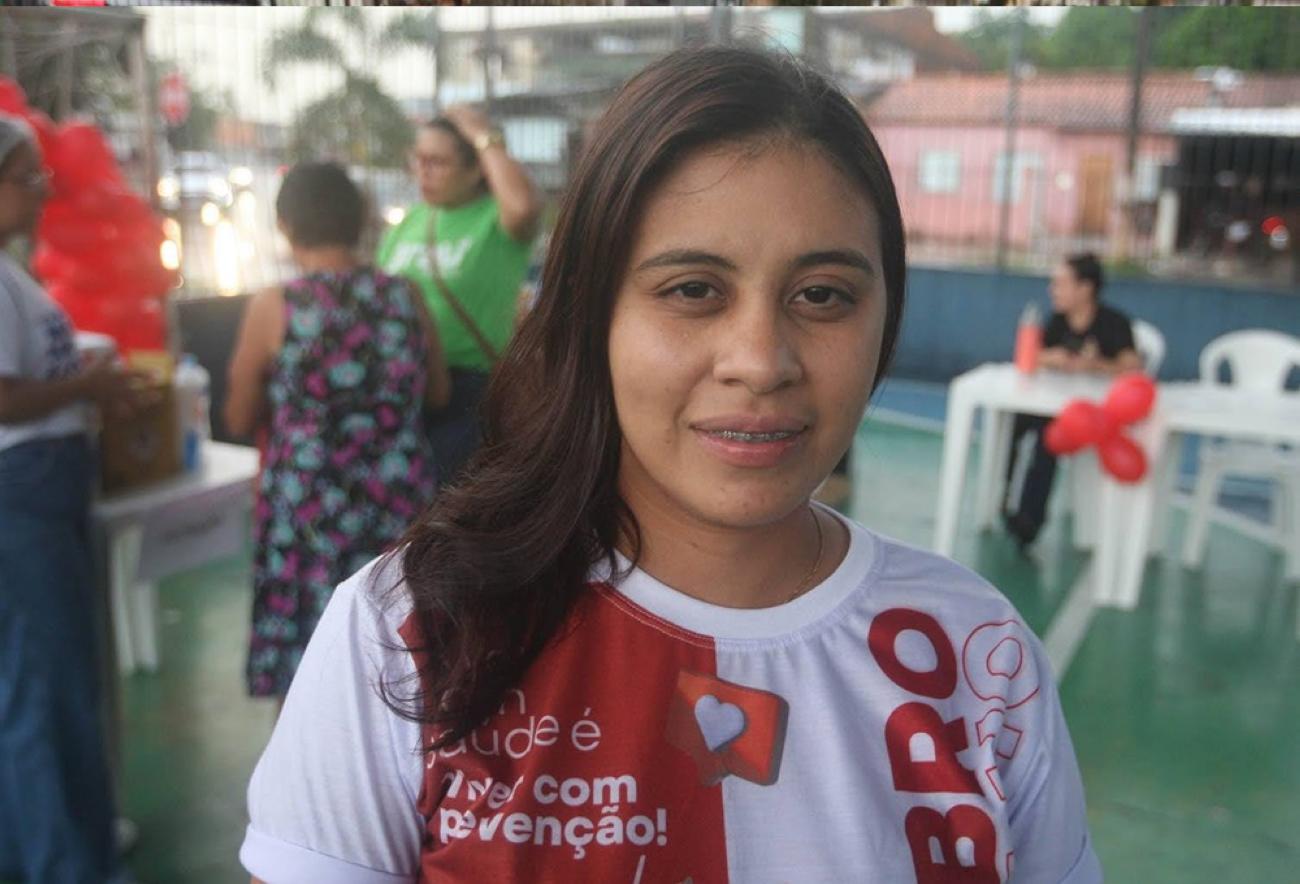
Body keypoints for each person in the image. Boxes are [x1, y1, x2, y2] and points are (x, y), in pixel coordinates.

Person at [242, 48, 1100, 883]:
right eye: (693, 289)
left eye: (822, 295)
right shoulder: (410, 633)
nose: (759, 362)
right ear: (590, 315)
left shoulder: (978, 660)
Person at [225, 161, 449, 700]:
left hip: (309, 514)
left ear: (285, 224)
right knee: (400, 664)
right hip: (398, 506)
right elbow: (438, 393)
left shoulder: (277, 306)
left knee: (308, 675)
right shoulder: (405, 296)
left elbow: (237, 416)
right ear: (359, 221)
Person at [0, 113, 138, 884]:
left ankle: (44, 850)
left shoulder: (12, 270)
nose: (42, 192)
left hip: (40, 486)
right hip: (21, 490)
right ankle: (64, 865)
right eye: (28, 178)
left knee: (42, 685)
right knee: (45, 693)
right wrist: (87, 385)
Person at [377, 106, 542, 486]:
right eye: (418, 159)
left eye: (437, 162)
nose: (423, 172)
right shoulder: (411, 222)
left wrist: (483, 134)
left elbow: (524, 207)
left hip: (468, 394)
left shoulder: (495, 219)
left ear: (476, 170)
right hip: (406, 388)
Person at [1002, 252, 1142, 550]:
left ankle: (1029, 521)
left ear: (1085, 288)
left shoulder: (1114, 323)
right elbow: (1033, 356)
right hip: (1052, 407)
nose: (1053, 290)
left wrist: (1094, 365)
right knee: (1014, 423)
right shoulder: (1057, 321)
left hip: (1095, 418)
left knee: (1047, 440)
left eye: (1060, 284)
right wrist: (1051, 358)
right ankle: (1004, 501)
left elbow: (1132, 367)